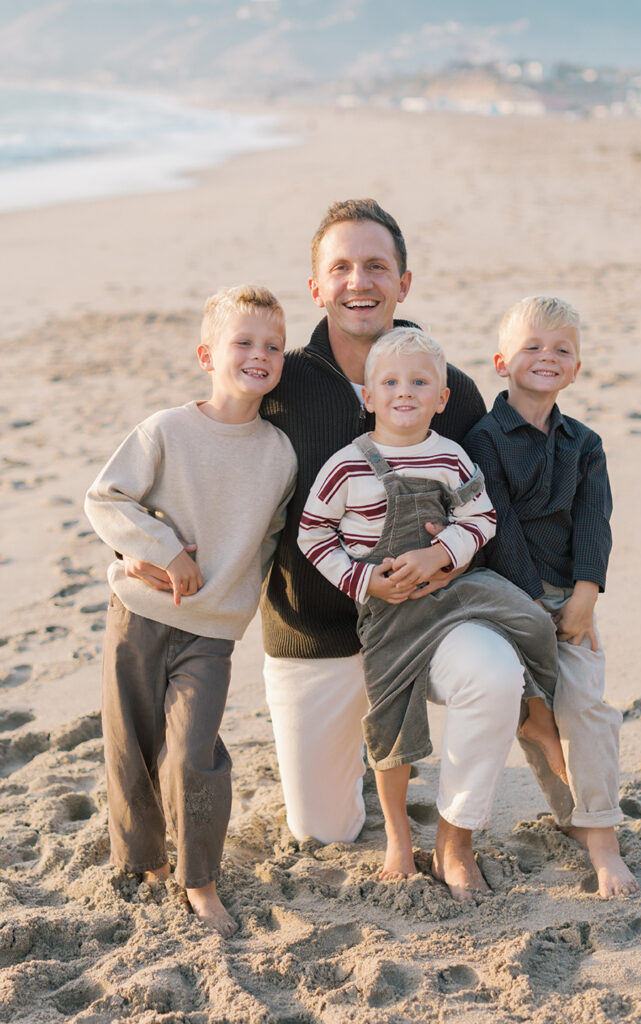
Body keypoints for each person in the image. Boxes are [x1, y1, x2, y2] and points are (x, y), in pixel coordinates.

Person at [121, 200, 536, 901]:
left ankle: (454, 840)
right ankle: (376, 766)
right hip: (314, 636)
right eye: (339, 267)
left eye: (376, 266)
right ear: (316, 287)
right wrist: (146, 548)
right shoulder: (279, 378)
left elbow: (491, 505)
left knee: (493, 675)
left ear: (403, 282)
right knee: (324, 830)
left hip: (426, 621)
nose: (358, 281)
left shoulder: (446, 386)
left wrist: (475, 570)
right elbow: (206, 459)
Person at [298, 327, 558, 879]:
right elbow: (314, 534)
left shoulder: (451, 458)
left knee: (531, 621)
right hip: (388, 611)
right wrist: (366, 582)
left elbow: (481, 518)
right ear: (368, 397)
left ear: (442, 399)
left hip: (454, 593)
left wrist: (441, 554)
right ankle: (397, 836)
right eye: (389, 382)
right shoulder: (347, 465)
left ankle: (536, 710)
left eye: (420, 382)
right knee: (391, 724)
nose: (404, 392)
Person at [84, 285, 297, 935]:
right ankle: (143, 861)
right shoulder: (166, 430)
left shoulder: (280, 454)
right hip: (138, 617)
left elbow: (270, 544)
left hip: (209, 633)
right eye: (243, 342)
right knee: (131, 749)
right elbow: (105, 500)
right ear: (208, 353)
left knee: (192, 754)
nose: (259, 354)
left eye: (273, 346)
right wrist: (160, 551)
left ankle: (199, 878)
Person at [464, 295, 639, 898]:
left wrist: (587, 592)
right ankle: (571, 811)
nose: (547, 357)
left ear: (577, 368)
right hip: (503, 594)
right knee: (532, 710)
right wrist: (530, 607)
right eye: (532, 346)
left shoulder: (583, 443)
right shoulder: (482, 439)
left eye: (561, 350)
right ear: (500, 361)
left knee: (585, 705)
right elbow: (498, 524)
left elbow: (596, 516)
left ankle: (601, 837)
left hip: (570, 597)